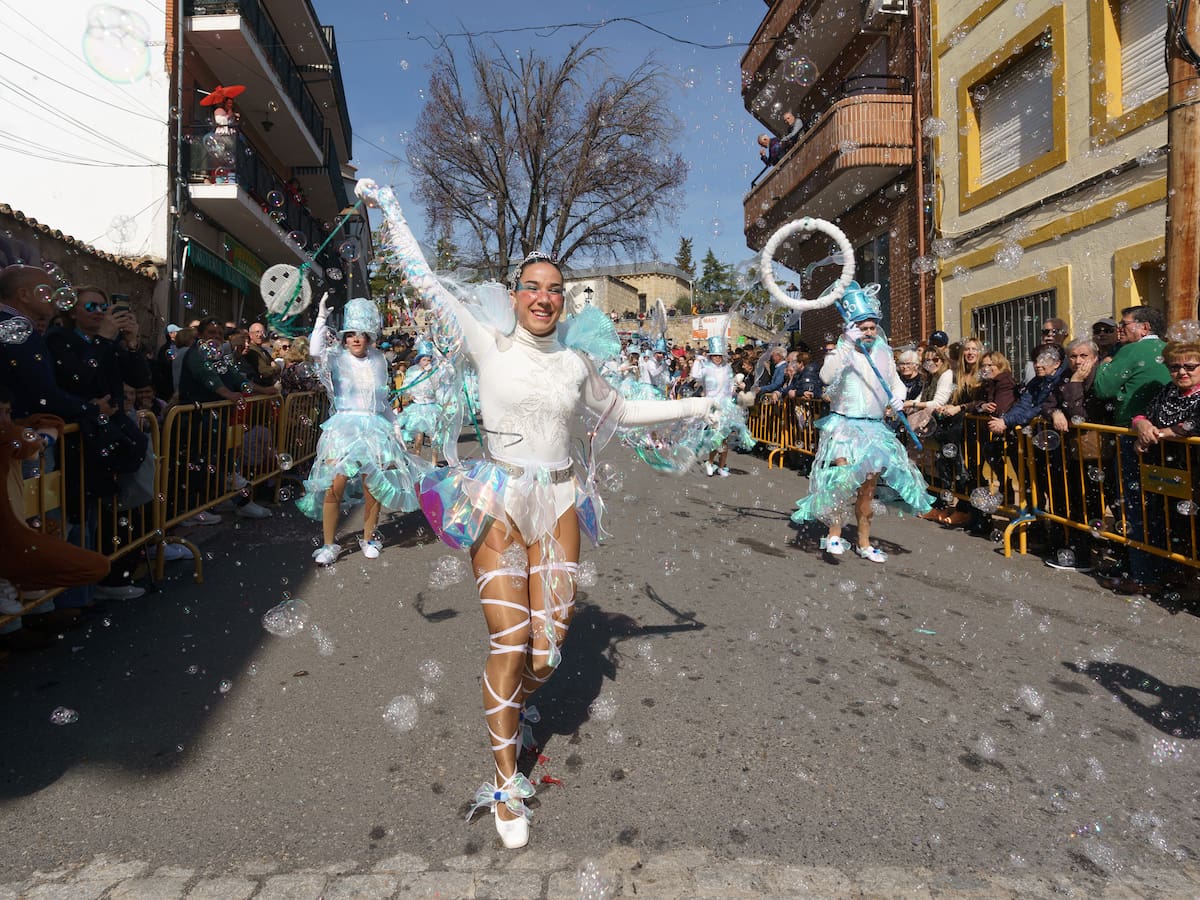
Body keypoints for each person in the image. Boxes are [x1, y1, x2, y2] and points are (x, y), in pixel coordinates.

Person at [358, 177, 719, 850]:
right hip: (495, 500)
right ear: (515, 293)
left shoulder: (578, 365)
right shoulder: (486, 343)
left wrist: (697, 406)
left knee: (547, 653)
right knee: (509, 639)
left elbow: (625, 412)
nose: (544, 297)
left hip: (559, 502)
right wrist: (390, 211)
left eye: (555, 288)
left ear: (564, 299)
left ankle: (519, 707)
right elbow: (424, 280)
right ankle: (503, 784)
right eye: (533, 287)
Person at [791, 282, 932, 562]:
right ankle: (833, 534)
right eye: (862, 327)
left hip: (874, 429)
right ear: (852, 326)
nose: (867, 332)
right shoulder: (843, 350)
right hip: (845, 426)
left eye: (871, 328)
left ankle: (863, 542)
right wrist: (845, 345)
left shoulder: (883, 351)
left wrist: (897, 398)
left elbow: (896, 384)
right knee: (843, 483)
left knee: (867, 489)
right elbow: (827, 377)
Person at [298, 296, 425, 565]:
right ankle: (330, 544)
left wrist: (396, 430)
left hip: (375, 428)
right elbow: (314, 351)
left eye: (362, 335)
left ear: (369, 337)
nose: (356, 339)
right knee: (335, 486)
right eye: (351, 334)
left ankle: (369, 537)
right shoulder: (335, 358)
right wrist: (321, 320)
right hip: (343, 428)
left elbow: (383, 402)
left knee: (374, 487)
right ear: (345, 339)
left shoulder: (379, 361)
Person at [1093, 306, 1172, 594]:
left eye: (1124, 325)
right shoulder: (1168, 349)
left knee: (1136, 506)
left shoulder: (1130, 351)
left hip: (1133, 437)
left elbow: (1102, 388)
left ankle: (1142, 574)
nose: (1119, 330)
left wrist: (1105, 362)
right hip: (1167, 438)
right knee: (1163, 506)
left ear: (1145, 328)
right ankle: (1167, 570)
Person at [396, 340, 446, 466]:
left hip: (431, 406)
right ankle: (417, 460)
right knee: (418, 436)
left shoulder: (434, 372)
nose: (427, 362)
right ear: (419, 361)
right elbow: (406, 385)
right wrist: (409, 393)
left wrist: (430, 373)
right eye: (424, 360)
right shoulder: (413, 372)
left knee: (433, 436)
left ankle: (434, 462)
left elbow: (437, 386)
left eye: (429, 360)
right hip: (418, 406)